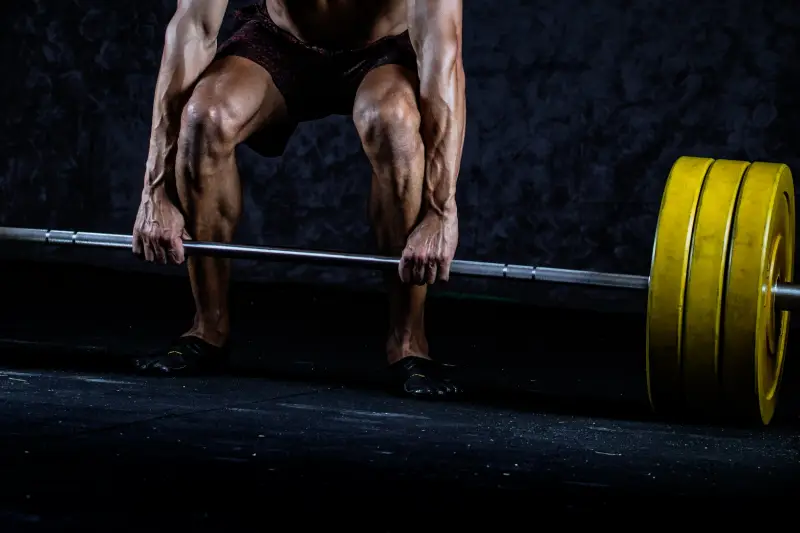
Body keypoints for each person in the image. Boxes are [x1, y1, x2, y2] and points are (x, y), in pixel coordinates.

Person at [131, 0, 466, 399]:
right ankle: (208, 327)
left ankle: (410, 341)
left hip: (383, 51)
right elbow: (192, 29)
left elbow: (441, 50)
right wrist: (155, 187)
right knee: (204, 118)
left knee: (393, 121)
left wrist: (441, 209)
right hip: (280, 42)